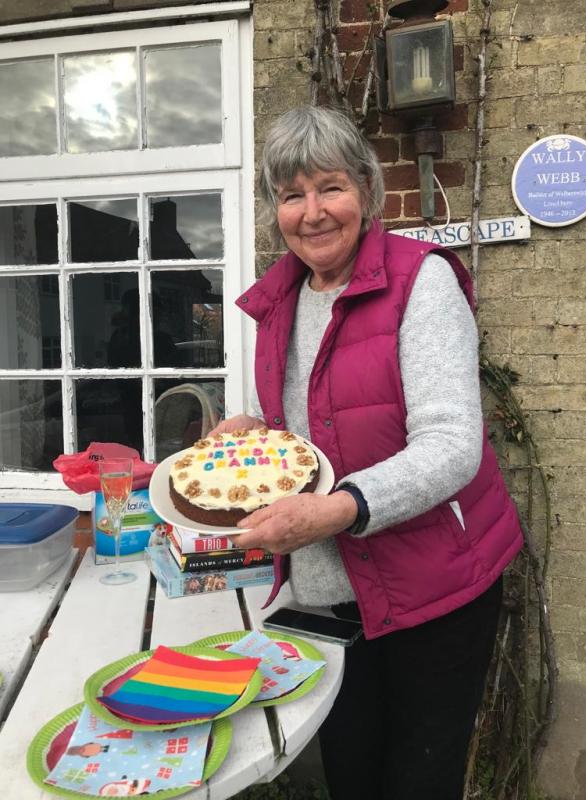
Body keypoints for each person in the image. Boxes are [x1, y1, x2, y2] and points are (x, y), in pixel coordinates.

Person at [210, 106, 523, 800]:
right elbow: (317, 420)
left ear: (367, 190)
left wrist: (335, 511)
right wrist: (256, 431)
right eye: (292, 194)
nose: (313, 212)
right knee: (350, 774)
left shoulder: (421, 281)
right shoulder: (284, 297)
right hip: (325, 595)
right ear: (275, 209)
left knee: (417, 778)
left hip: (432, 590)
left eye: (330, 187)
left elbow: (451, 445)